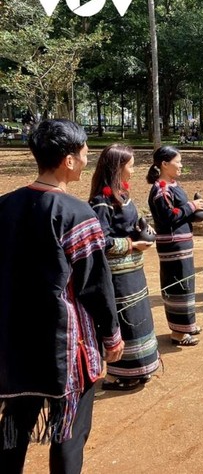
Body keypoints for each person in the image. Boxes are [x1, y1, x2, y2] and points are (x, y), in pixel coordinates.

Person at [0, 119, 123, 473]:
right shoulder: (76, 214)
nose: (87, 160)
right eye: (84, 154)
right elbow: (96, 286)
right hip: (65, 348)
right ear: (68, 160)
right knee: (69, 431)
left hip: (13, 343)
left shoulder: (4, 206)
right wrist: (111, 336)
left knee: (14, 425)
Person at [89, 144, 160, 391]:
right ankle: (120, 374)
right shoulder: (101, 202)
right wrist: (133, 243)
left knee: (137, 317)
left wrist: (144, 227)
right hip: (118, 274)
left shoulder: (122, 194)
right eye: (130, 165)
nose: (133, 169)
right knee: (125, 318)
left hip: (134, 270)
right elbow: (101, 241)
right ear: (118, 167)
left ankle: (139, 367)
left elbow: (131, 222)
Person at [147, 146, 203, 346]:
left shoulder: (172, 185)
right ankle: (178, 333)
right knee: (178, 285)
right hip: (173, 247)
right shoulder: (161, 190)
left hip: (181, 245)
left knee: (186, 284)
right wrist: (192, 206)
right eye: (177, 161)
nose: (181, 165)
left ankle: (186, 325)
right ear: (164, 164)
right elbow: (168, 218)